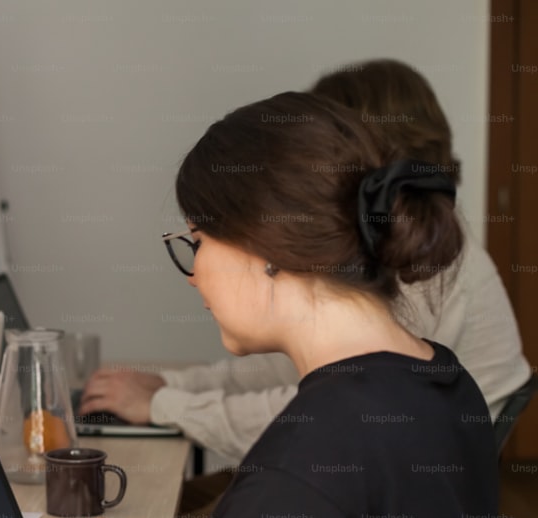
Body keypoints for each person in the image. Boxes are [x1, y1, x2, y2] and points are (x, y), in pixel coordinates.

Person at [0, 91, 499, 518]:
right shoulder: (441, 381)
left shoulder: (314, 451)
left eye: (196, 242)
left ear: (263, 249)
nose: (194, 278)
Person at [78, 59, 531, 473]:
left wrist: (164, 404)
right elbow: (295, 373)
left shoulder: (418, 266)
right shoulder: (391, 259)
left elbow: (317, 417)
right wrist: (174, 384)